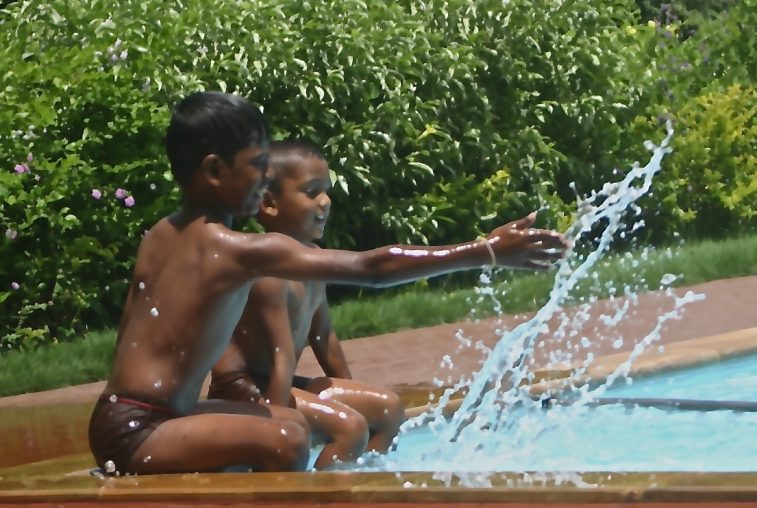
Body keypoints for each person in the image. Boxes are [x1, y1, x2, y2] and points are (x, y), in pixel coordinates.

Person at [88, 90, 569, 476]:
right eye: (257, 165)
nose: (265, 176)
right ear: (215, 170)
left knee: (291, 424)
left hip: (145, 416)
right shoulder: (230, 248)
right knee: (287, 436)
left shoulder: (161, 234)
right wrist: (482, 251)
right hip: (138, 429)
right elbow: (370, 268)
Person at [208, 141, 405, 469]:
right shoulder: (268, 270)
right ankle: (317, 499)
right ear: (269, 203)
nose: (325, 201)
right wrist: (277, 425)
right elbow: (282, 355)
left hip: (278, 381)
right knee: (350, 427)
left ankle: (365, 484)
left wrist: (354, 392)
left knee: (389, 409)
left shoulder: (312, 259)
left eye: (325, 191)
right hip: (243, 391)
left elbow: (324, 337)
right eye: (311, 192)